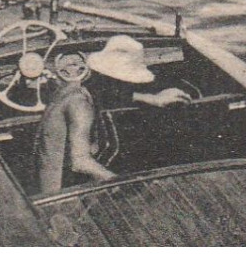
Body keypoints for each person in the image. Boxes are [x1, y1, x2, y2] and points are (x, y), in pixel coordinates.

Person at [36, 35, 192, 195]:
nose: (127, 85)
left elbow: (109, 94)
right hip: (62, 197)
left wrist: (152, 98)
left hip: (53, 182)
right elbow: (80, 162)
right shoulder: (80, 104)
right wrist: (126, 183)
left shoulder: (71, 90)